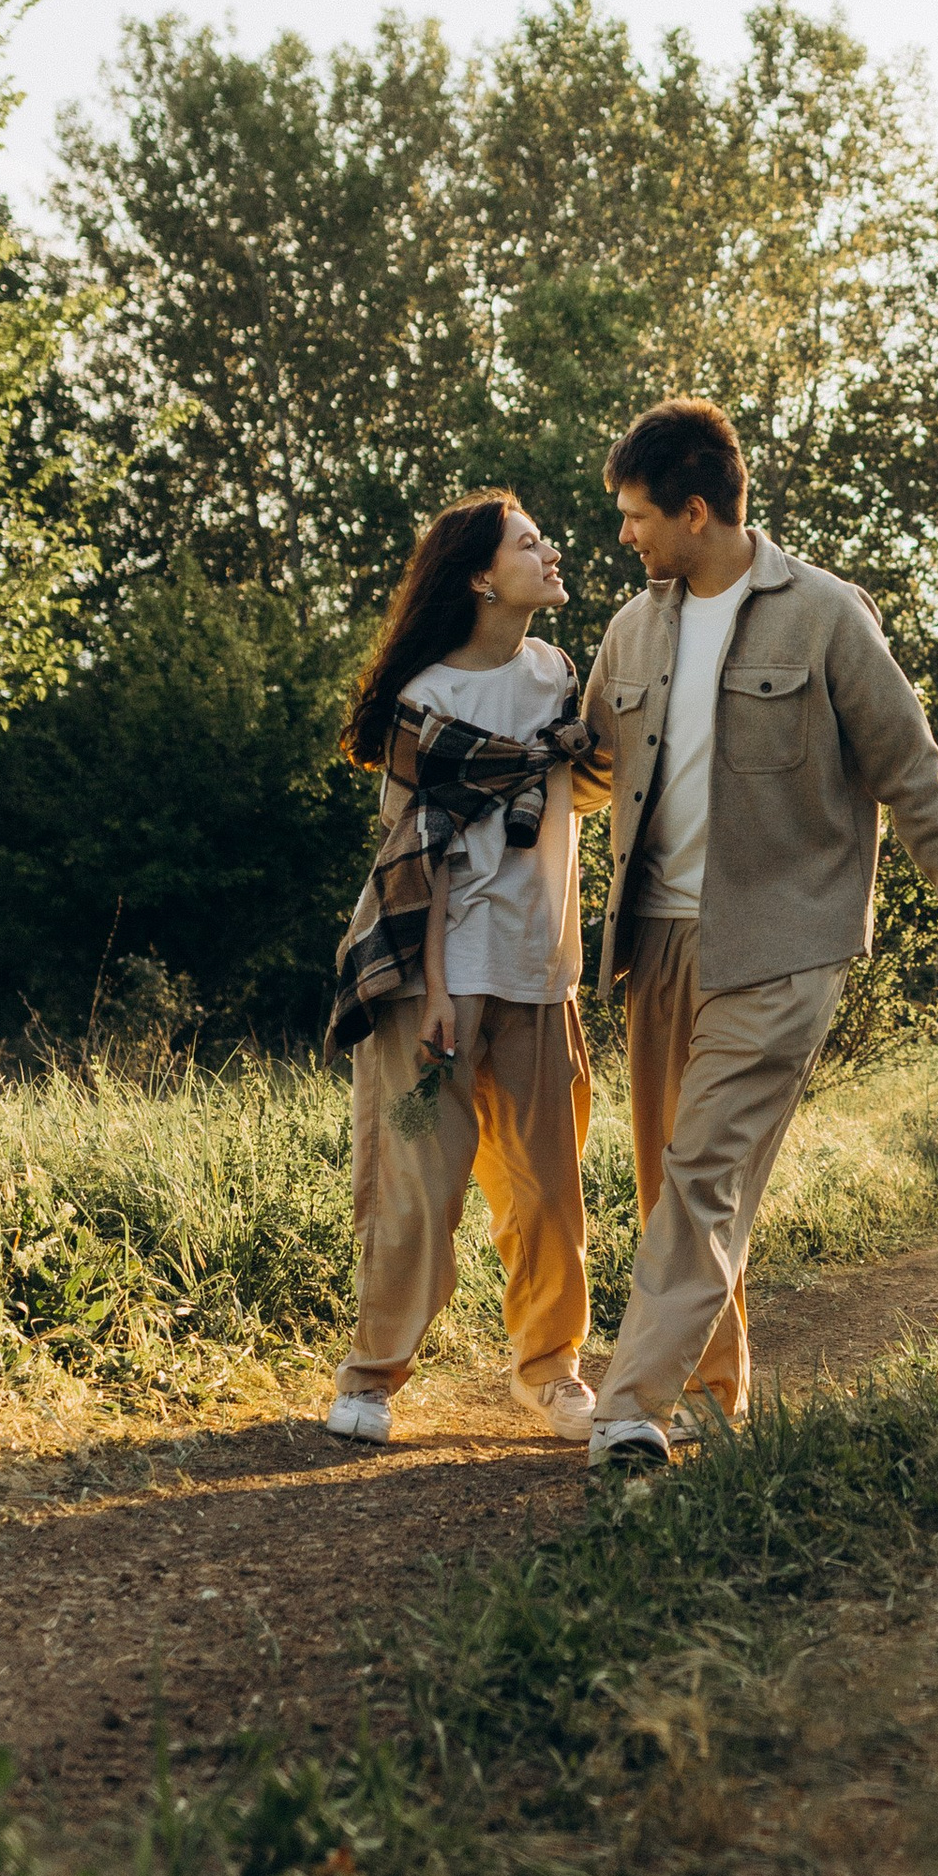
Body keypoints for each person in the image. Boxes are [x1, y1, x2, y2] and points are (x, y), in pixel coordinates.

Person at [577, 396, 938, 1475]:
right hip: (658, 941)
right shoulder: (634, 627)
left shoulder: (823, 615)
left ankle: (630, 1408)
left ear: (697, 510)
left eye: (636, 516)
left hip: (782, 940)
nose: (626, 537)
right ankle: (715, 1401)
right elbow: (582, 765)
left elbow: (909, 772)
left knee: (705, 1168)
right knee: (679, 1181)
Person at [322, 491, 605, 1447]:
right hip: (434, 975)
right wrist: (442, 987)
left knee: (548, 1193)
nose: (551, 551)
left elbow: (584, 787)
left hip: (541, 967)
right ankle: (371, 1375)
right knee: (418, 1185)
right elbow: (422, 849)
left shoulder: (559, 676)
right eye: (531, 543)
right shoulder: (426, 703)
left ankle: (552, 1373)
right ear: (483, 576)